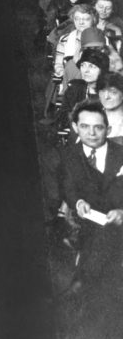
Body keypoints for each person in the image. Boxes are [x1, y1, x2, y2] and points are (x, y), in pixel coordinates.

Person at [60, 101, 123, 295]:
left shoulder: (121, 154)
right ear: (75, 127)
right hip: (85, 219)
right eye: (85, 127)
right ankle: (87, 284)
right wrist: (78, 203)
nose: (91, 133)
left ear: (108, 129)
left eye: (98, 127)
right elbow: (68, 188)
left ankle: (82, 283)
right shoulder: (68, 155)